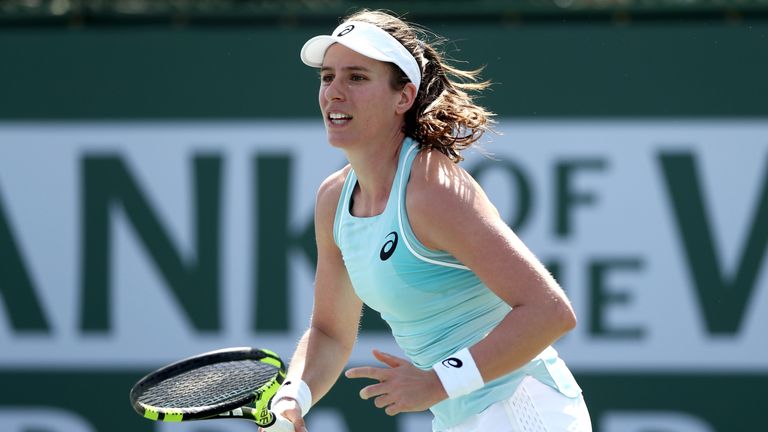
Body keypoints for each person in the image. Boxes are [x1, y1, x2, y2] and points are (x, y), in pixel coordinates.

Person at [263, 9, 592, 432]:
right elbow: (330, 332)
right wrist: (294, 394)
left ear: (403, 96)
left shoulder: (432, 189)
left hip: (522, 409)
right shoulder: (333, 199)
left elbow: (551, 312)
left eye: (357, 77)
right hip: (459, 416)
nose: (334, 93)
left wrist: (440, 380)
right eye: (327, 77)